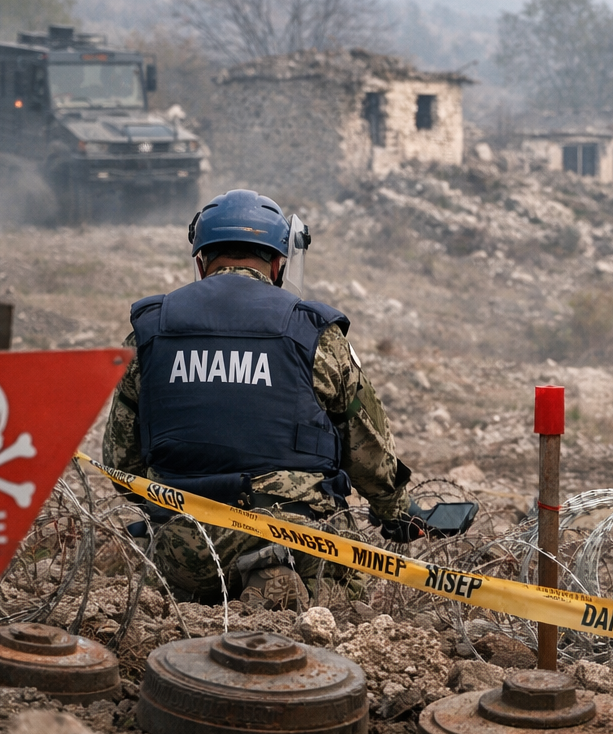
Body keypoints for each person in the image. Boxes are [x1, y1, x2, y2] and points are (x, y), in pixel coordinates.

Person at [102, 189, 413, 608]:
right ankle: (277, 579)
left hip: (188, 544)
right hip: (294, 535)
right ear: (279, 262)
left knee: (175, 586)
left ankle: (204, 594)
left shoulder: (150, 331)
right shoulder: (314, 333)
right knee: (345, 592)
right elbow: (368, 450)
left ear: (201, 261)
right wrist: (396, 513)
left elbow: (121, 463)